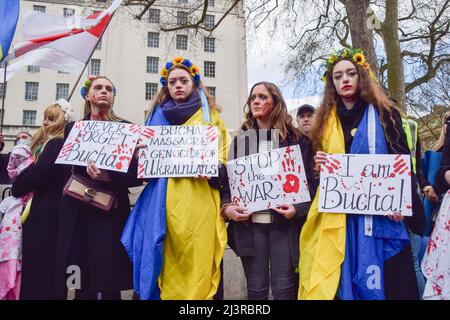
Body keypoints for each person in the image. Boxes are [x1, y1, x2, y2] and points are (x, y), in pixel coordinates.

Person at [300, 47, 423, 300]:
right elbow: (319, 174)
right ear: (332, 84)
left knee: (394, 284)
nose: (344, 79)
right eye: (338, 76)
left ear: (361, 77)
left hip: (384, 215)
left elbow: (400, 161)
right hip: (341, 218)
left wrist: (399, 199)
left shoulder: (385, 114)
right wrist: (319, 165)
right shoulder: (325, 121)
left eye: (350, 73)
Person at [121, 57, 230, 300]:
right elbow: (143, 171)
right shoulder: (153, 120)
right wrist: (140, 158)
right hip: (160, 207)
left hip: (198, 207)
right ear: (166, 86)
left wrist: (212, 170)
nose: (178, 85)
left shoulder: (212, 119)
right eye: (172, 82)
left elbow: (224, 163)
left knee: (196, 265)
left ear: (195, 84)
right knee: (161, 264)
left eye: (184, 80)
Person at [220, 82, 316, 300]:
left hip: (284, 228)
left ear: (276, 102)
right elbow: (227, 186)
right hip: (249, 229)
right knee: (256, 293)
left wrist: (298, 209)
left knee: (284, 291)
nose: (256, 101)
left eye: (262, 97)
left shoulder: (298, 141)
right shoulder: (239, 142)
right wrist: (228, 209)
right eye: (253, 97)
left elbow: (312, 186)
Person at [53, 76, 142, 300]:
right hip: (78, 211)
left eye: (109, 89)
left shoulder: (126, 128)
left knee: (109, 274)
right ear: (88, 95)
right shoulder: (73, 128)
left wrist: (108, 177)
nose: (104, 91)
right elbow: (66, 169)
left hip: (110, 214)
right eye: (98, 87)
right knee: (79, 276)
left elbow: (137, 175)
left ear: (113, 97)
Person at [9, 100, 74, 299]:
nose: (45, 122)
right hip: (49, 211)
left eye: (51, 118)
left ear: (62, 121)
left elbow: (40, 173)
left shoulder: (55, 143)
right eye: (45, 118)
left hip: (45, 214)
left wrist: (18, 184)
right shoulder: (52, 142)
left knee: (39, 268)